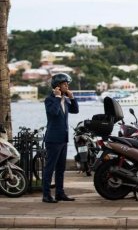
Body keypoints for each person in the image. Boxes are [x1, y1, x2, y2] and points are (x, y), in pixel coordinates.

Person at [42, 73, 79, 203]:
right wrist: (57, 97)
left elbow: (75, 110)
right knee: (49, 168)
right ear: (58, 86)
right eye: (65, 84)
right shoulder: (50, 100)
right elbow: (54, 113)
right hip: (53, 139)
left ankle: (60, 193)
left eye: (67, 84)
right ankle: (46, 195)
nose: (67, 86)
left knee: (60, 169)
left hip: (63, 138)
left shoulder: (66, 100)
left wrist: (72, 98)